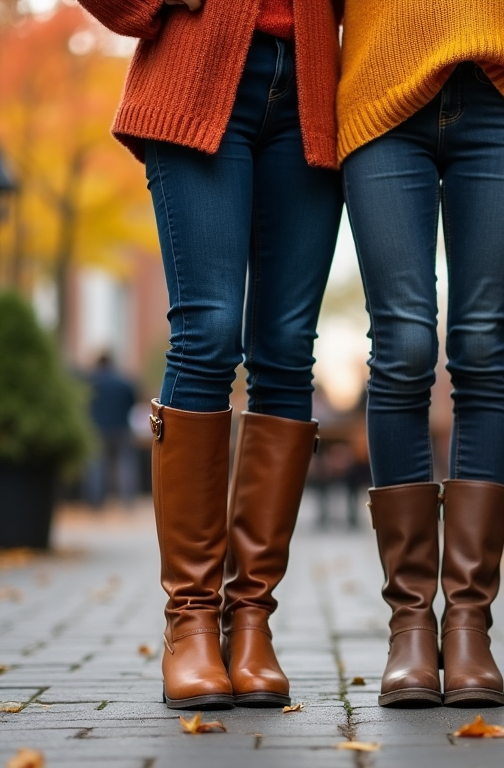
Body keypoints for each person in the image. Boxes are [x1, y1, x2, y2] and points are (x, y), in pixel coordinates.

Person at [78, 0, 344, 710]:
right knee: (208, 332)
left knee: (287, 349)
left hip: (313, 85)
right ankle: (191, 622)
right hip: (199, 73)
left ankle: (251, 619)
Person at [337, 1, 504, 707]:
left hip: (501, 89)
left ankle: (467, 624)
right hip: (381, 89)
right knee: (402, 344)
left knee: (487, 346)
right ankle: (409, 627)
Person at [82, 352, 138, 508]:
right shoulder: (123, 381)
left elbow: (84, 403)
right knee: (124, 465)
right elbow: (132, 400)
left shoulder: (90, 382)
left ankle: (95, 502)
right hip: (121, 428)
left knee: (96, 467)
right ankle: (127, 502)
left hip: (97, 428)